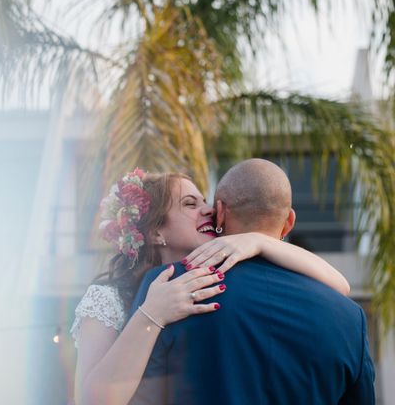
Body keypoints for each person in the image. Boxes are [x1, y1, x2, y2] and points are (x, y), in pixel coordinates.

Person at [71, 167, 351, 405]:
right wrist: (152, 313)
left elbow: (340, 285)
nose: (209, 210)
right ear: (156, 232)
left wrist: (260, 241)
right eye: (190, 204)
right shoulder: (107, 299)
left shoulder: (219, 277)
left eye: (205, 202)